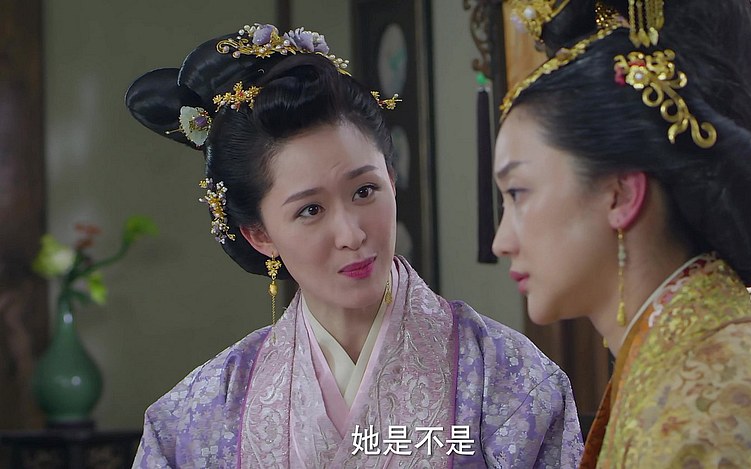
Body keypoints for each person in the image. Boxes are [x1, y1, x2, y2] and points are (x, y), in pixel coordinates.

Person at [125, 23, 583, 467]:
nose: (352, 235)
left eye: (365, 191)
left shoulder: (508, 381)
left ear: (392, 182)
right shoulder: (196, 418)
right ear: (260, 235)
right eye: (310, 210)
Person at [494, 0, 751, 467]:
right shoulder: (690, 373)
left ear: (620, 195)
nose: (501, 241)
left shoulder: (709, 415)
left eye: (518, 193)